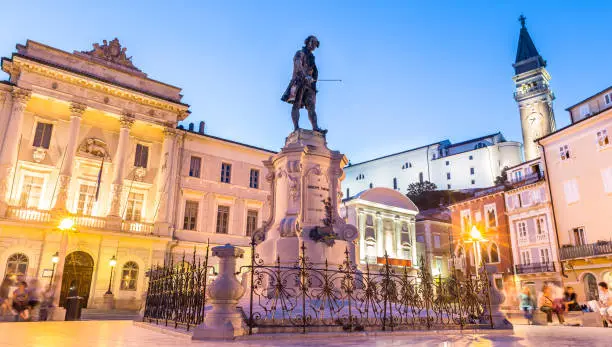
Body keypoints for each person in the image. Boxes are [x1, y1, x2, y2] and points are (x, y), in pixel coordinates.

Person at [281, 35, 326, 133]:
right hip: (299, 82)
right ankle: (296, 128)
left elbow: (314, 72)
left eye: (316, 44)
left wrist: (313, 80)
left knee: (311, 107)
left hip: (309, 86)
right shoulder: (300, 53)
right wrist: (305, 76)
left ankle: (315, 128)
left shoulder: (312, 58)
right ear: (308, 42)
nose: (314, 45)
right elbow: (298, 65)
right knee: (296, 104)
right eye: (313, 43)